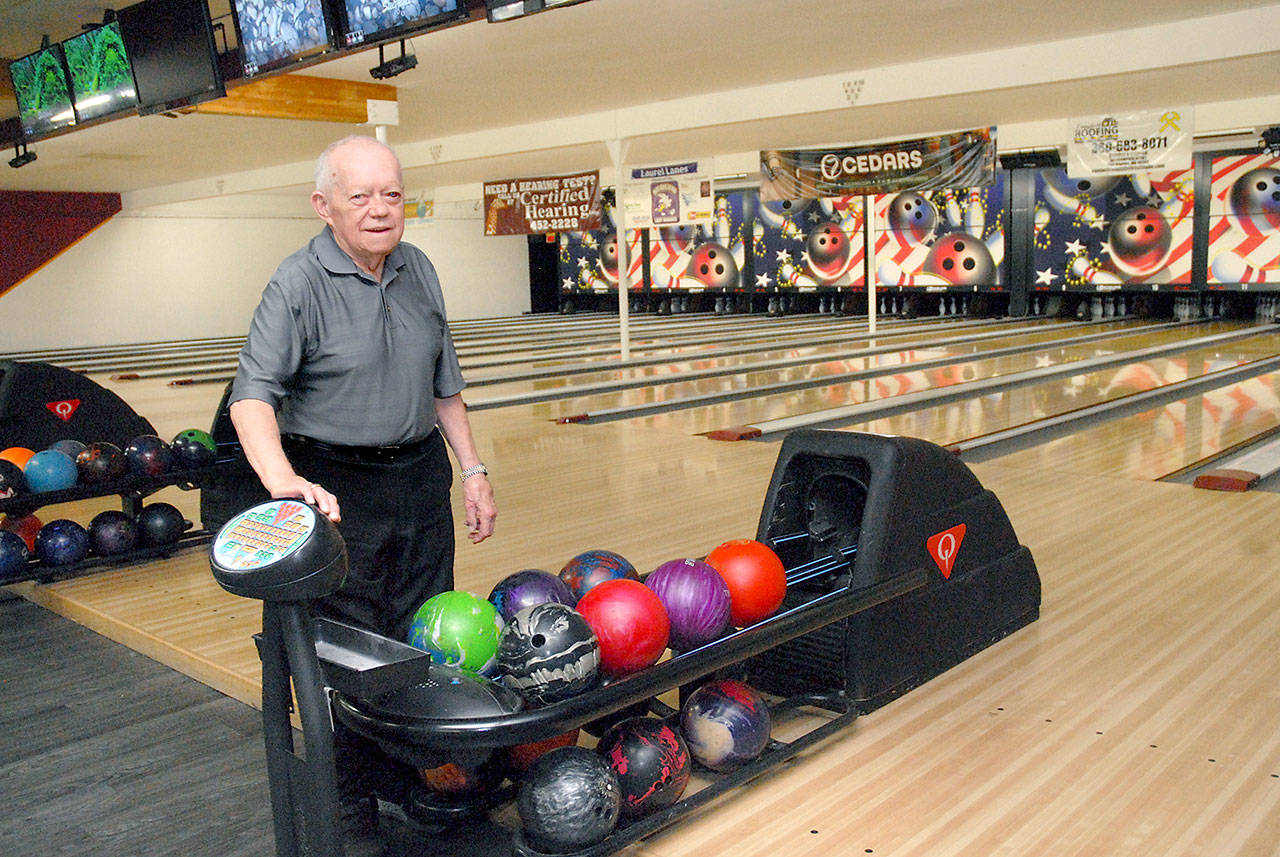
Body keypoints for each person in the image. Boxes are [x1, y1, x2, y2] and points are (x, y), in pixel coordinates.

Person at [228, 134, 496, 836]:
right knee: (349, 650)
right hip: (336, 485)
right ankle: (345, 789)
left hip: (418, 478)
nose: (381, 209)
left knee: (421, 636)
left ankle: (408, 770)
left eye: (392, 194)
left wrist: (473, 470)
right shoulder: (297, 283)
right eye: (361, 196)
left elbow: (446, 388)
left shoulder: (421, 269)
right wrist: (286, 483)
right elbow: (251, 396)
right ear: (324, 206)